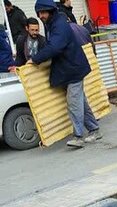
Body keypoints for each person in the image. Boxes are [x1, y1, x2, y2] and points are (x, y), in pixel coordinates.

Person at [30, 0, 101, 148]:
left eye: (44, 12)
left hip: (73, 69)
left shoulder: (59, 25)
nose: (41, 16)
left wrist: (35, 59)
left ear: (51, 11)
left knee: (74, 103)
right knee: (81, 102)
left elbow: (55, 47)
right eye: (39, 13)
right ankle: (94, 130)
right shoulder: (53, 23)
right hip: (71, 68)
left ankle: (78, 137)